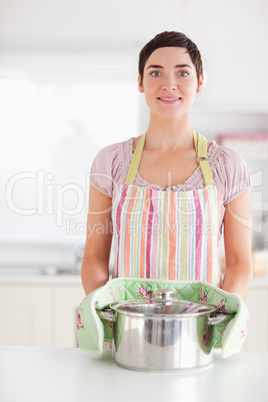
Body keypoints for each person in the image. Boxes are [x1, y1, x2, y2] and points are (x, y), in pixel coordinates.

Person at [81, 31, 253, 299]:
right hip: (128, 329)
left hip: (202, 330)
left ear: (200, 82)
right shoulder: (111, 162)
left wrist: (220, 318)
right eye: (155, 73)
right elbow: (94, 257)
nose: (169, 84)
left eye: (183, 73)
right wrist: (105, 314)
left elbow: (240, 264)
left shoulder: (228, 166)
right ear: (140, 82)